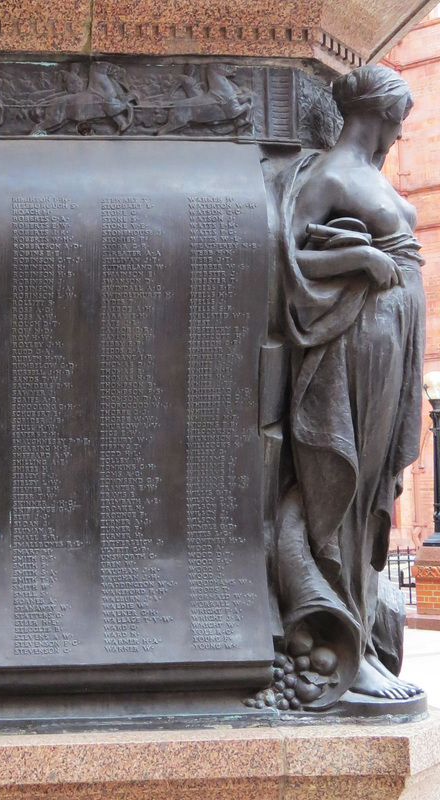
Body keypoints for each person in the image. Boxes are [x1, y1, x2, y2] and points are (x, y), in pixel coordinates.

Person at [276, 64, 424, 702]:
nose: (399, 132)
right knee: (348, 488)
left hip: (391, 343)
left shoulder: (368, 176)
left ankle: (358, 632)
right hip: (355, 344)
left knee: (371, 489)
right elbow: (285, 254)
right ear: (380, 114)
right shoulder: (332, 173)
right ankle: (343, 644)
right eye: (399, 118)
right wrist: (362, 257)